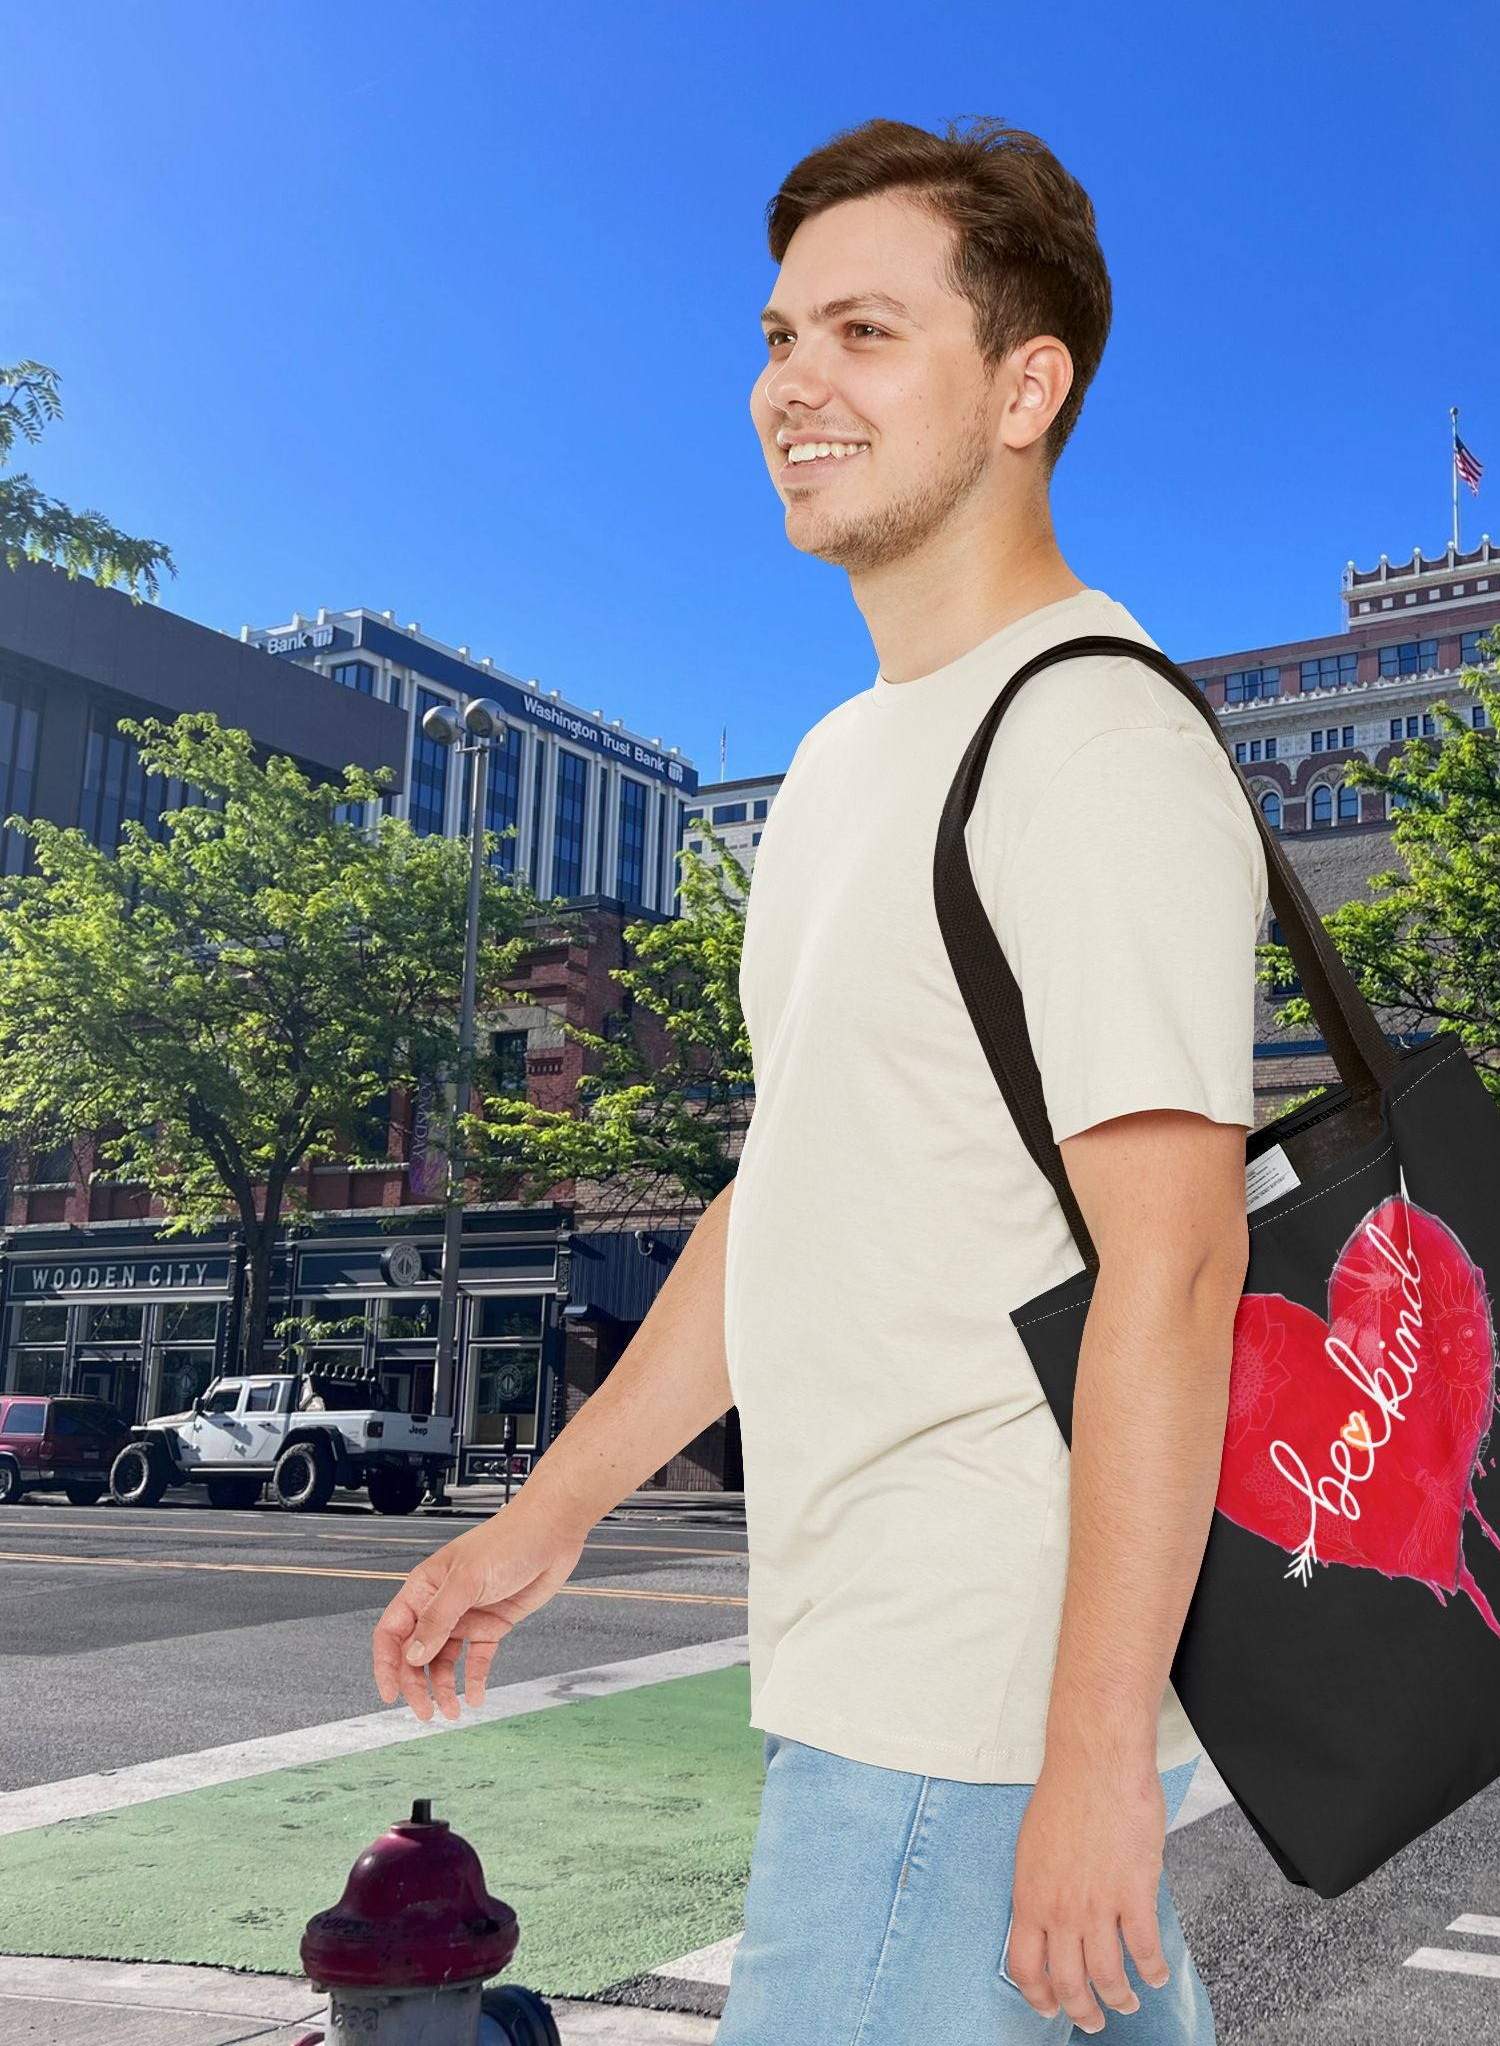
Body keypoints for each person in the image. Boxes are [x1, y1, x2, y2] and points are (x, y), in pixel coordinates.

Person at [370, 115, 1264, 2045]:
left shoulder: (1089, 737)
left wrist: (1092, 1754)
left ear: (1027, 386)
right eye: (780, 336)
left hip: (968, 1711)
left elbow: (1175, 1268)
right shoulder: (844, 765)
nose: (792, 386)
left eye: (864, 333)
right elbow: (786, 1209)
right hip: (873, 1680)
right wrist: (548, 1516)